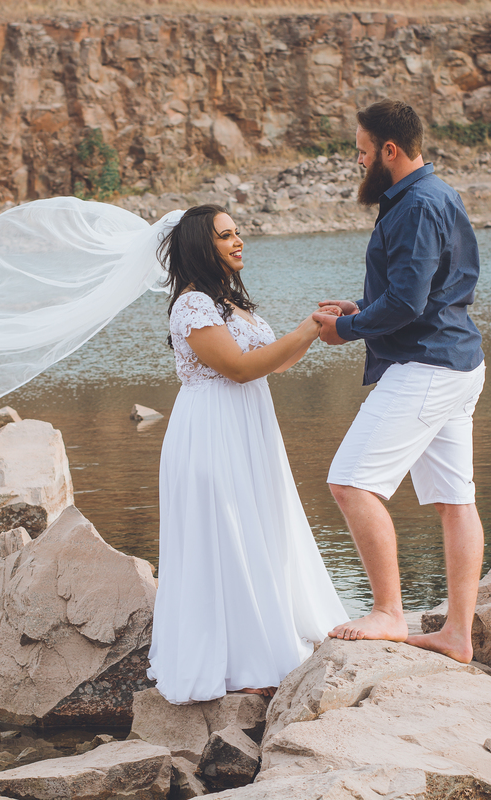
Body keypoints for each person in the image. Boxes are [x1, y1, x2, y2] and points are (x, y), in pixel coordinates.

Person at [148, 204, 349, 703]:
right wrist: (308, 327)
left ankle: (269, 634)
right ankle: (238, 659)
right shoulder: (192, 305)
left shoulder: (231, 304)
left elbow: (273, 365)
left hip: (249, 427)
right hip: (211, 429)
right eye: (225, 235)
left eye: (237, 232)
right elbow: (238, 369)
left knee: (260, 524)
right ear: (201, 245)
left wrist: (317, 329)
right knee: (226, 533)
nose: (238, 241)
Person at [312, 99, 486, 663]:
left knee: (350, 483)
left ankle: (388, 612)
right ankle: (457, 635)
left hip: (426, 367)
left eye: (362, 152)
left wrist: (347, 328)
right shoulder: (436, 194)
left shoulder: (416, 205)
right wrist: (362, 308)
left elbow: (410, 303)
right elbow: (427, 292)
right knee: (455, 500)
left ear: (389, 150)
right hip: (456, 362)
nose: (359, 162)